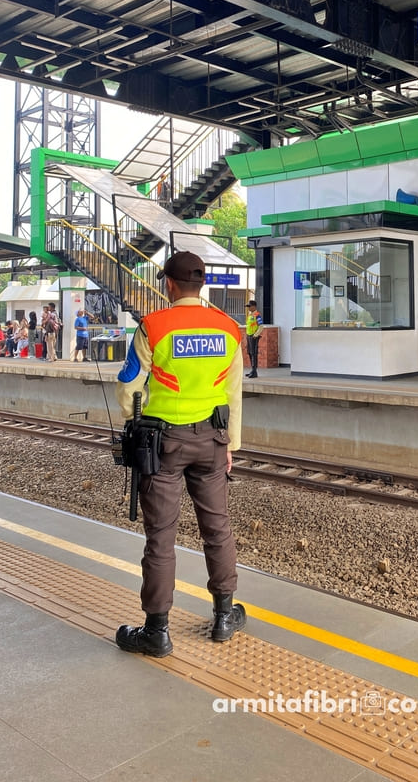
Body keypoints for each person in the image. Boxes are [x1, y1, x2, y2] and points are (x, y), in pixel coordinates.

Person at [114, 250, 246, 658]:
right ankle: (224, 615)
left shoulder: (153, 326)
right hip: (212, 441)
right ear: (201, 284)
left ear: (169, 284)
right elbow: (234, 393)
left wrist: (141, 412)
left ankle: (157, 630)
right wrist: (231, 446)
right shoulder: (229, 329)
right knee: (217, 529)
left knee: (161, 538)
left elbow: (128, 390)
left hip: (162, 445)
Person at [245, 299, 263, 378]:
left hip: (254, 336)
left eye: (249, 306)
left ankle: (254, 371)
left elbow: (261, 326)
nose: (248, 308)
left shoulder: (257, 315)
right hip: (249, 335)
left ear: (254, 306)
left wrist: (256, 335)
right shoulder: (250, 315)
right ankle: (252, 370)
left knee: (254, 354)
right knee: (249, 352)